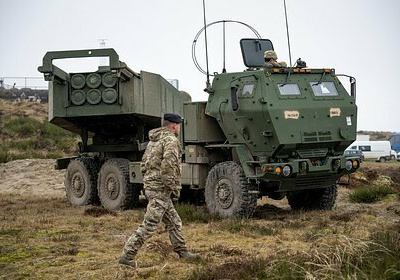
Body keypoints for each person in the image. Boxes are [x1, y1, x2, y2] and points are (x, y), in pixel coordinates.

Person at [119, 113, 199, 268]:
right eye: (179, 125)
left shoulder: (154, 141)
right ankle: (127, 255)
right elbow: (169, 167)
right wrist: (173, 188)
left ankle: (182, 251)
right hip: (160, 189)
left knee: (174, 221)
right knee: (150, 224)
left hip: (152, 186)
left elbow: (144, 164)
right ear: (174, 126)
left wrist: (150, 182)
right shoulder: (170, 141)